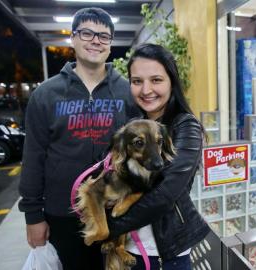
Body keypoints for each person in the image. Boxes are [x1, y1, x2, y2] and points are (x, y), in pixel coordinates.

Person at [18, 7, 140, 270]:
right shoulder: (46, 95)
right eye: (87, 33)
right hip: (63, 215)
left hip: (115, 212)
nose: (95, 40)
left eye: (103, 36)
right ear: (72, 38)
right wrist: (33, 216)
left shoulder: (127, 92)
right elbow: (34, 157)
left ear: (110, 45)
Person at [105, 44, 210, 269]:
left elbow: (164, 195)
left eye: (156, 80)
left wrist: (108, 227)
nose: (145, 90)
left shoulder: (185, 126)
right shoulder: (132, 124)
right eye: (137, 81)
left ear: (172, 81)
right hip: (126, 250)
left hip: (164, 254)